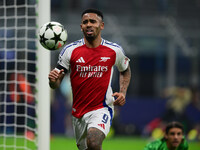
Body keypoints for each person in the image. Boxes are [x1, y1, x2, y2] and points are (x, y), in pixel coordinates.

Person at [48, 8, 131, 150]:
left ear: (101, 25)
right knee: (87, 147)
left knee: (94, 141)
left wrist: (122, 92)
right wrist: (52, 79)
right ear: (81, 27)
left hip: (102, 108)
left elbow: (125, 70)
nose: (88, 24)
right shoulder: (70, 50)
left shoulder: (114, 50)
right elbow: (55, 84)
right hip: (78, 113)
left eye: (93, 21)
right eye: (85, 22)